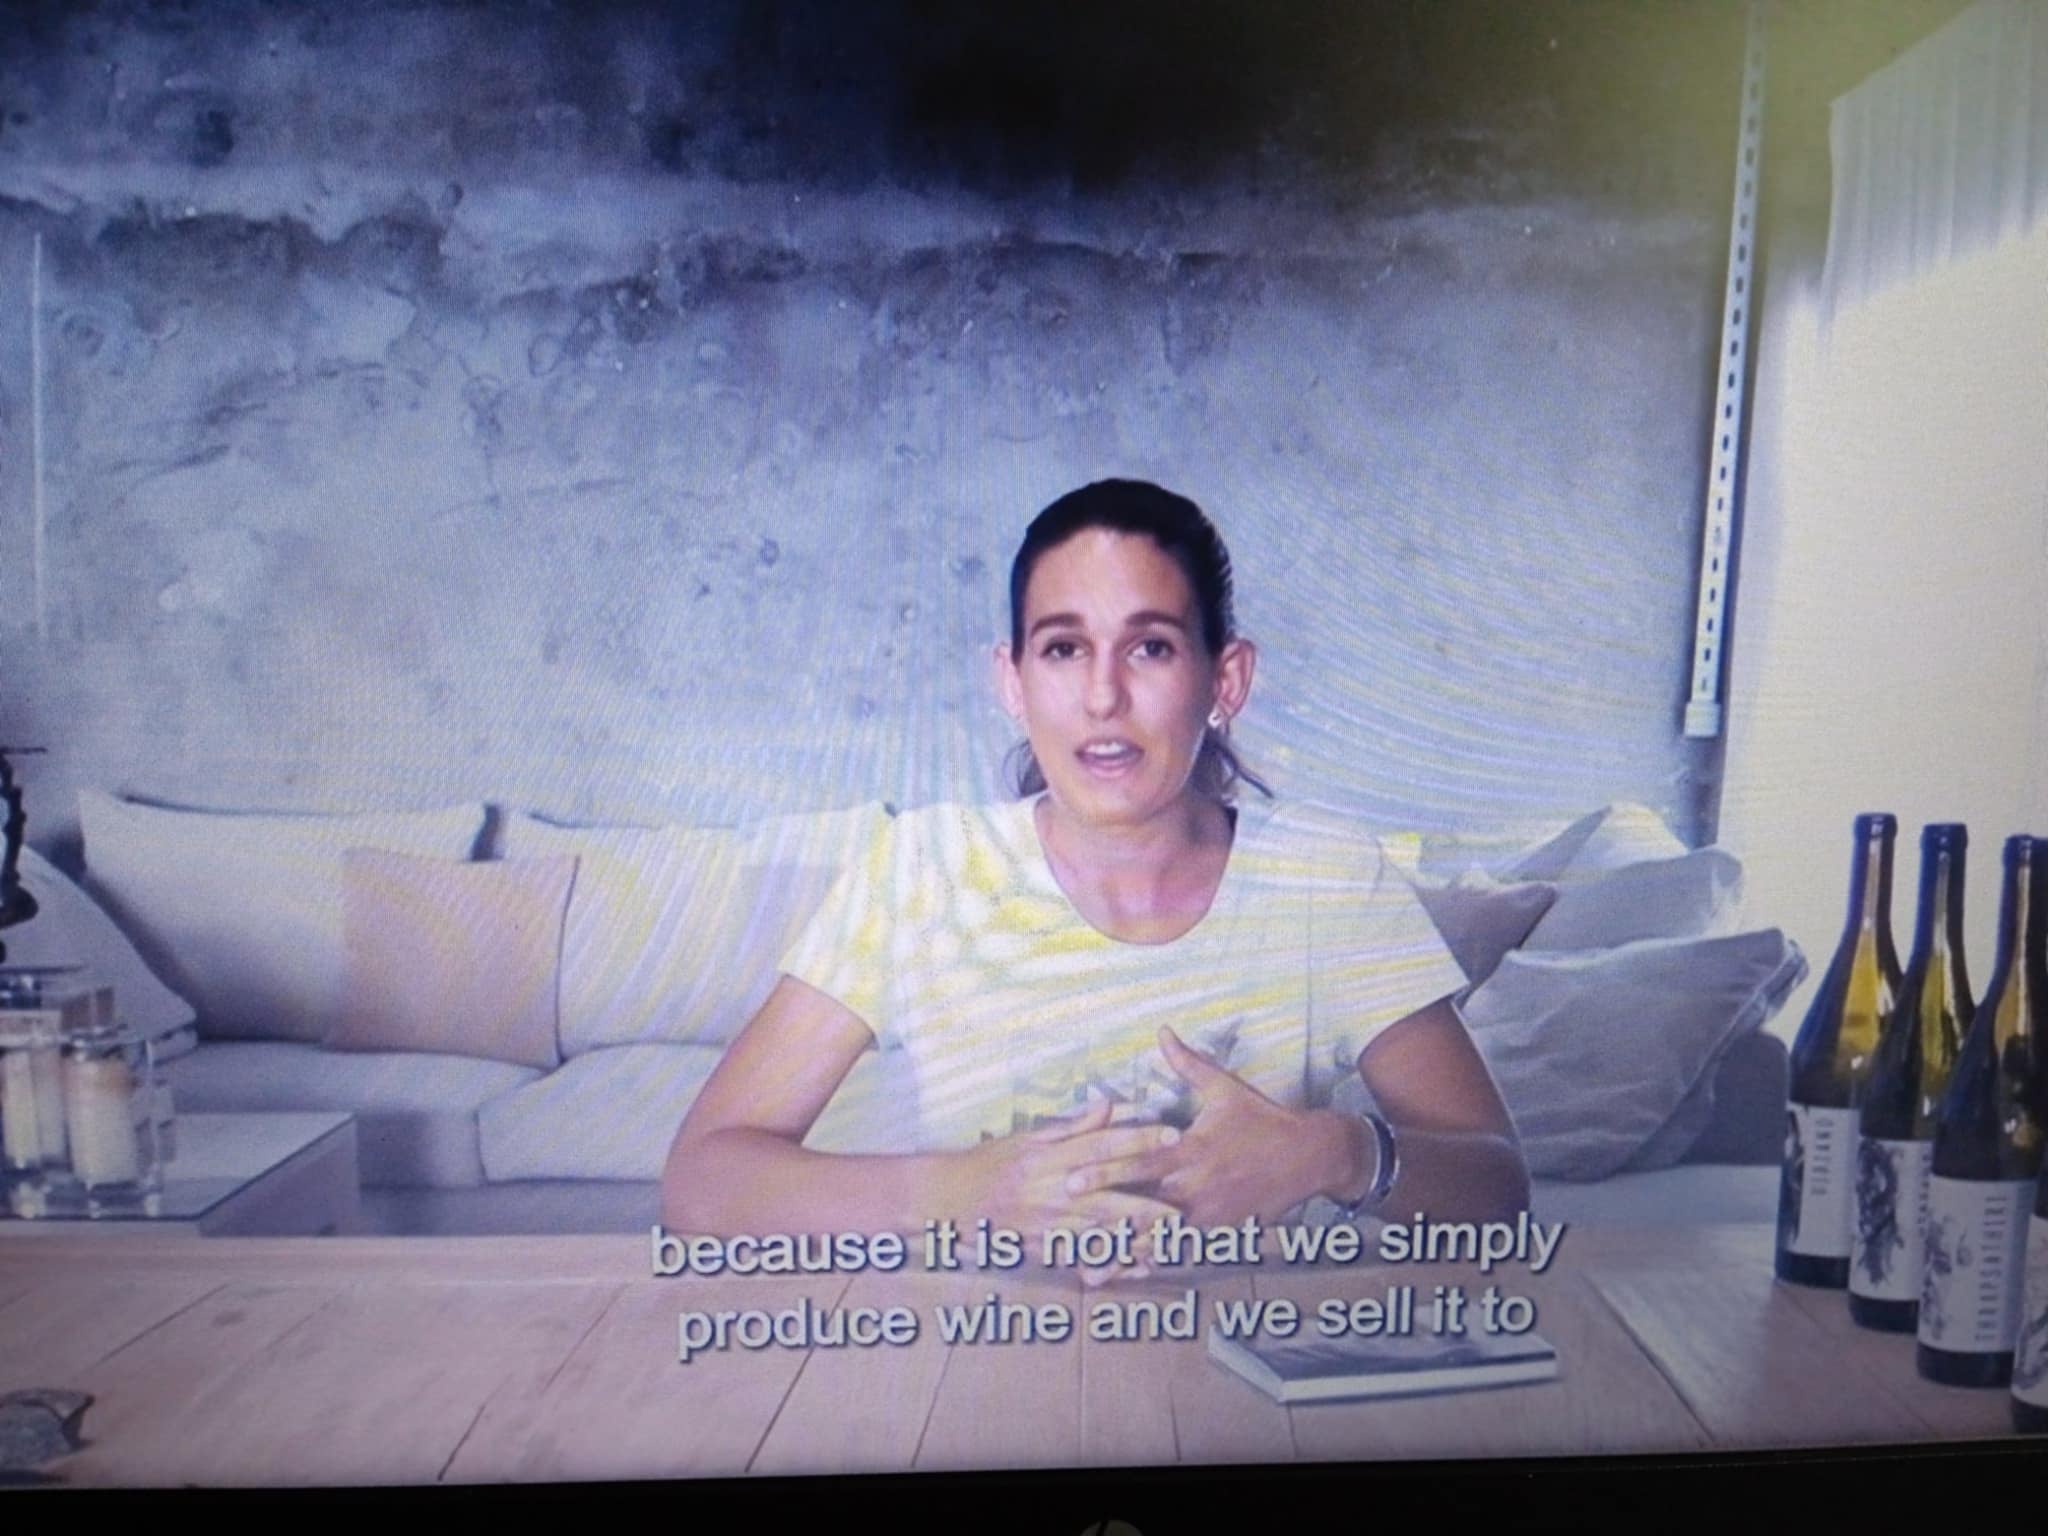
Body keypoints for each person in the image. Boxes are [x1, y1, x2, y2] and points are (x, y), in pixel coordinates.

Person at [662, 480, 1528, 1255]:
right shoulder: (923, 868)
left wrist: (1332, 1153)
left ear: (1226, 680)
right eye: (1063, 649)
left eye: (1150, 647)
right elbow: (703, 1179)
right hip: (973, 1360)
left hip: (1242, 1374)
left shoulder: (1326, 875)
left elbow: (1499, 1189)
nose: (1103, 696)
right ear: (1013, 682)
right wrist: (963, 1193)